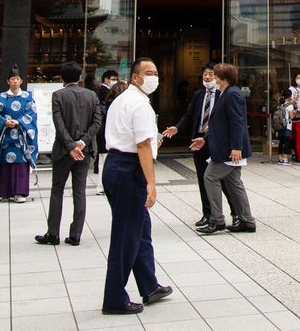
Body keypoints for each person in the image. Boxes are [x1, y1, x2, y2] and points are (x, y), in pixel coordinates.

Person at [101, 58, 172, 316]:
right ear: (134, 77)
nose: (153, 77)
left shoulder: (123, 100)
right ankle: (114, 298)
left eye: (155, 72)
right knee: (126, 235)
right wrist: (152, 183)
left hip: (117, 165)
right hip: (129, 169)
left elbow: (138, 139)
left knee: (141, 228)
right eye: (147, 73)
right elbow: (141, 145)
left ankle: (149, 285)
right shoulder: (139, 104)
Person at [36, 60, 102, 247]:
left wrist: (70, 145)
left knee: (57, 190)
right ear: (79, 77)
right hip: (85, 150)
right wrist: (81, 143)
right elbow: (97, 123)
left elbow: (59, 124)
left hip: (64, 151)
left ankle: (53, 233)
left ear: (62, 78)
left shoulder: (58, 95)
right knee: (79, 192)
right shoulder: (92, 95)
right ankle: (76, 235)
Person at [162, 63, 235, 228]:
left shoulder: (224, 94)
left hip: (217, 141)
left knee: (223, 180)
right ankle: (207, 214)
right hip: (199, 140)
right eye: (205, 74)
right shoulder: (198, 95)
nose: (208, 77)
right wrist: (177, 127)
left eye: (211, 74)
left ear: (217, 77)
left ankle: (235, 213)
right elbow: (189, 115)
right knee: (203, 179)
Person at [194, 63, 258, 235]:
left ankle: (217, 220)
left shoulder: (232, 94)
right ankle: (247, 220)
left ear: (223, 78)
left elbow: (237, 122)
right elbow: (223, 122)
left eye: (214, 75)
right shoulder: (226, 93)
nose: (211, 78)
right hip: (226, 147)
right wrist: (206, 137)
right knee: (234, 183)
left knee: (209, 176)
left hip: (229, 149)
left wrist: (237, 147)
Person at [0, 65, 38, 202]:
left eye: (17, 79)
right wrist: (4, 122)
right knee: (5, 163)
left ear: (21, 81)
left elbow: (32, 114)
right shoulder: (1, 97)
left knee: (20, 163)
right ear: (8, 81)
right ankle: (4, 192)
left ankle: (19, 192)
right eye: (12, 79)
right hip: (5, 135)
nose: (15, 81)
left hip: (21, 136)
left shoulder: (27, 97)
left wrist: (19, 121)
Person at [93, 69, 118, 176]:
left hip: (102, 126)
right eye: (113, 79)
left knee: (102, 151)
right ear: (106, 79)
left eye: (116, 79)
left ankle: (97, 166)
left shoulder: (104, 90)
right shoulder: (105, 91)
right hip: (104, 125)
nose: (115, 81)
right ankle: (98, 168)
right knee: (103, 151)